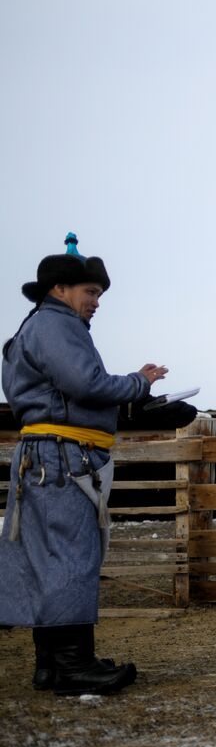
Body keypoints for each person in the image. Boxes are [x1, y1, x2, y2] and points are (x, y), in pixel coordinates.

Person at [1, 236, 166, 695]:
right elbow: (86, 382)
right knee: (72, 555)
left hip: (43, 455)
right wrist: (139, 383)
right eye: (90, 292)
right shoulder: (57, 325)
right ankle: (75, 666)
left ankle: (51, 664)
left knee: (47, 559)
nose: (96, 302)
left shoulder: (32, 328)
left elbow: (69, 391)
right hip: (62, 458)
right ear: (60, 289)